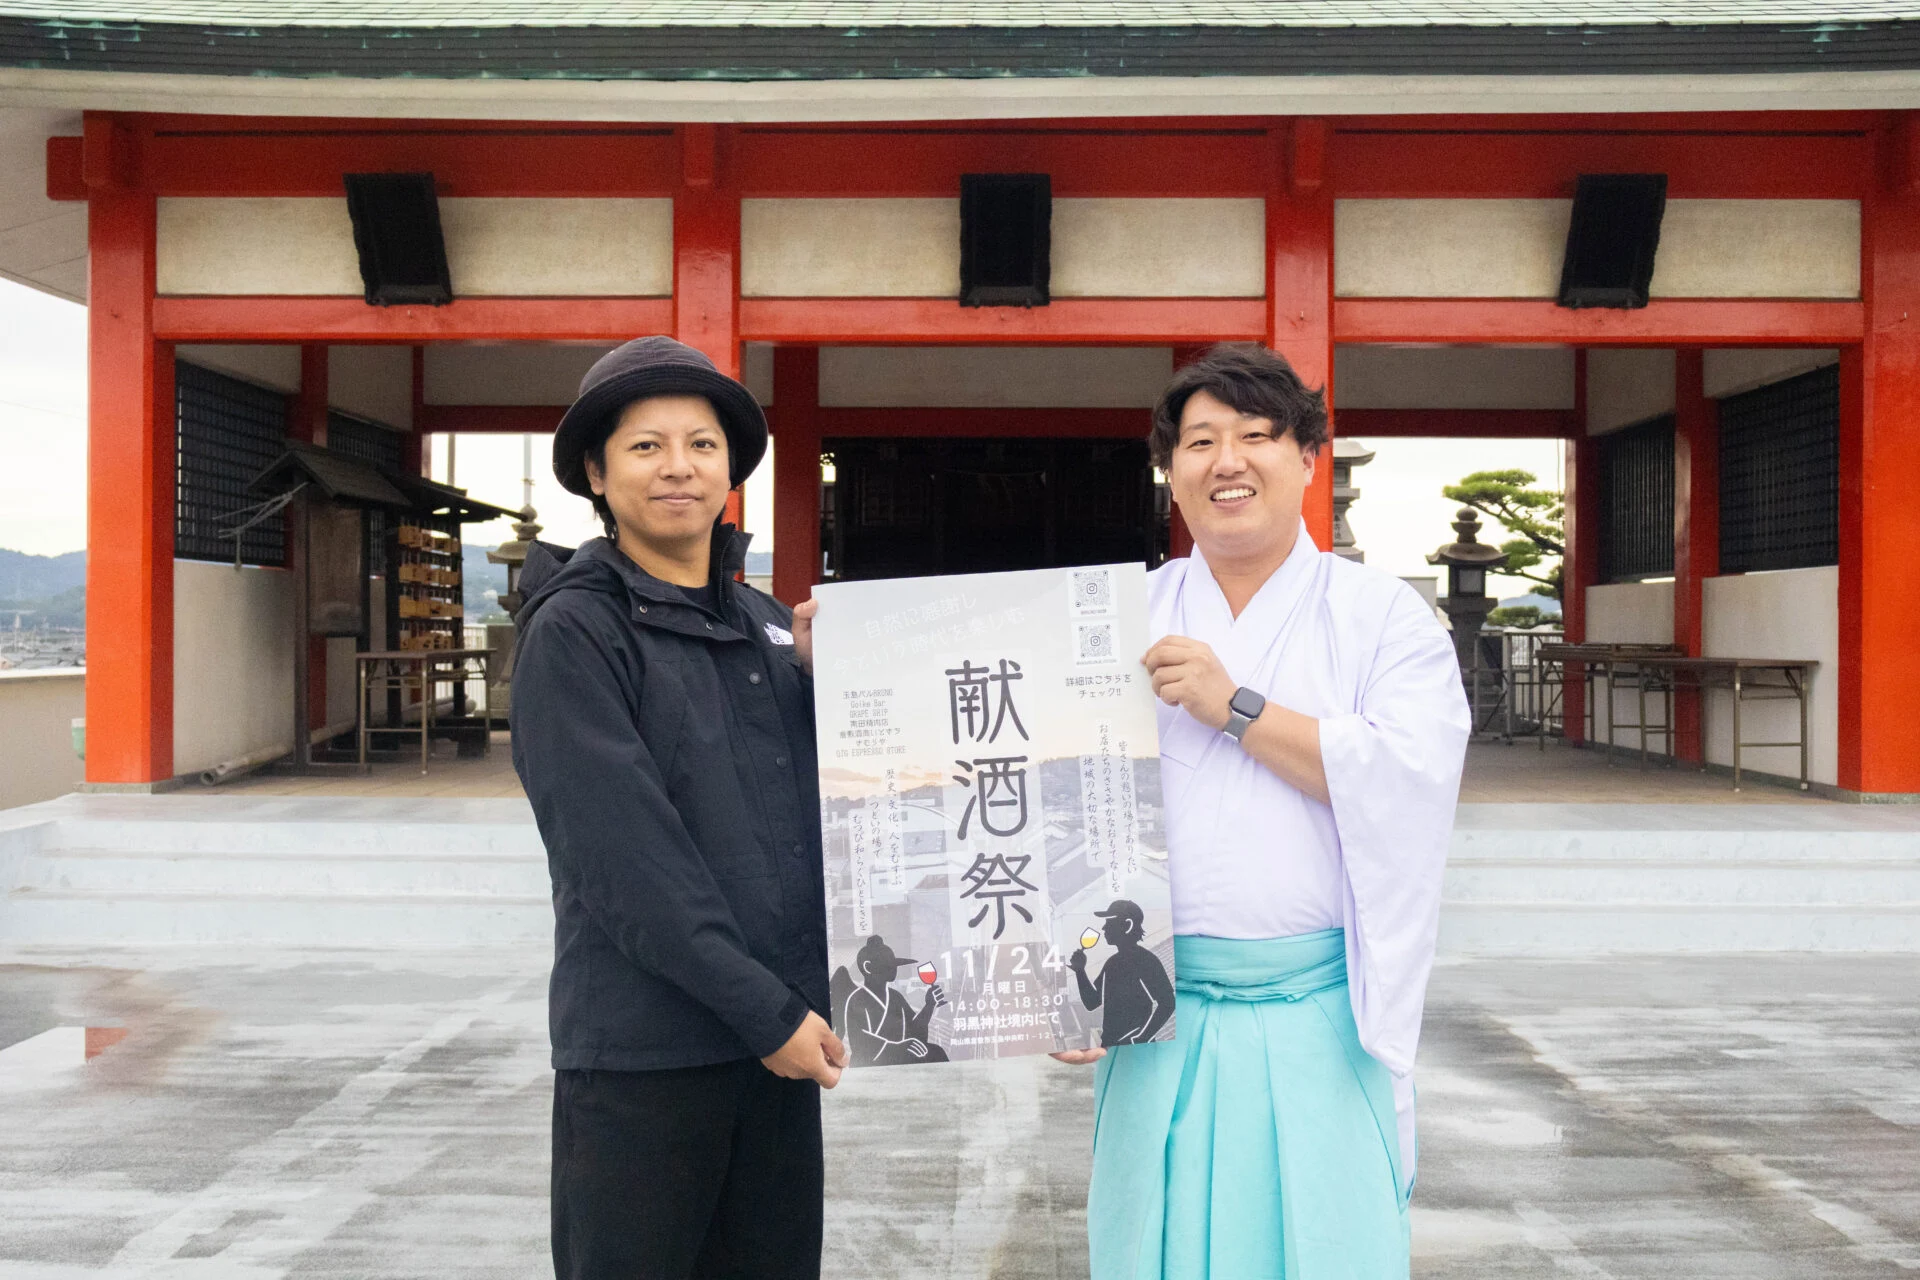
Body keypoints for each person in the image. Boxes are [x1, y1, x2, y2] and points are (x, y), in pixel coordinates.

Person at [1054, 343, 1471, 1279]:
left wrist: (1235, 707)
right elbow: (1055, 802)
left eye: (1255, 436)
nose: (1226, 461)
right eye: (1199, 441)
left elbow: (1411, 775)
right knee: (1154, 1246)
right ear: (1171, 471)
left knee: (1324, 1246)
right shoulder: (1120, 614)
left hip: (1320, 1015)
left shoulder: (1383, 617)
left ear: (1309, 459)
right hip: (1157, 1010)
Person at [509, 335, 843, 1280]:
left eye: (701, 443)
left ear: (730, 467)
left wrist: (841, 687)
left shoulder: (770, 625)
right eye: (645, 446)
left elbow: (855, 814)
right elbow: (625, 863)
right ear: (596, 472)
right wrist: (766, 1013)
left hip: (777, 1053)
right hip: (646, 1060)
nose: (678, 468)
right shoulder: (577, 630)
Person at [1069, 899, 1175, 1047]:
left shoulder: (1146, 961)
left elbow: (1168, 1003)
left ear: (1127, 925)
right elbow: (1092, 1002)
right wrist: (1080, 971)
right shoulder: (1112, 963)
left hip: (1136, 1049)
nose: (1104, 928)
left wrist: (1142, 1037)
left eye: (1109, 922)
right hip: (1111, 1045)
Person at [839, 934, 948, 1067]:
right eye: (888, 965)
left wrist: (929, 1005)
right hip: (872, 1063)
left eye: (893, 964)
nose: (894, 969)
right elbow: (861, 1044)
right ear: (868, 967)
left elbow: (913, 1030)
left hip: (897, 1058)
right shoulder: (857, 999)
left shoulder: (895, 997)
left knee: (936, 1052)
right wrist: (897, 1047)